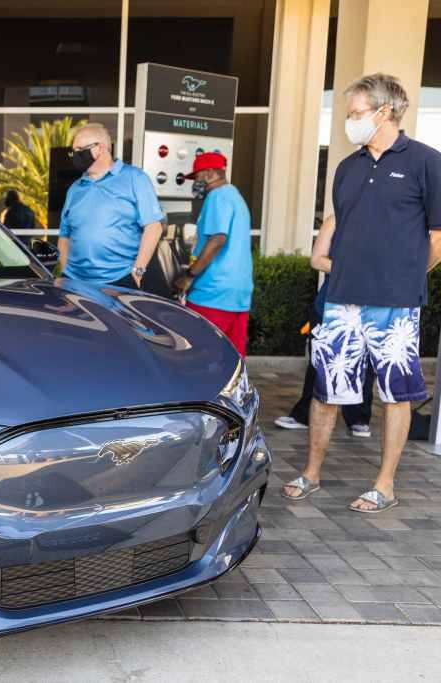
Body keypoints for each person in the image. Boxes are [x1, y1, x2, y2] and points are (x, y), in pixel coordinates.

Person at [282, 73, 441, 513]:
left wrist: (405, 279)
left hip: (395, 305)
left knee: (395, 395)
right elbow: (344, 229)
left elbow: (437, 237)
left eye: (355, 113)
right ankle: (311, 473)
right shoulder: (347, 168)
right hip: (342, 300)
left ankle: (385, 484)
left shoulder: (427, 162)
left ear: (384, 111)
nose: (349, 121)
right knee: (326, 391)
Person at [275, 218, 373, 438]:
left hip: (368, 307)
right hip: (330, 305)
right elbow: (317, 260)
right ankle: (304, 415)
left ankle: (358, 418)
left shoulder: (383, 220)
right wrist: (352, 269)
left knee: (364, 364)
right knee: (319, 363)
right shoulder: (335, 220)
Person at [58, 122, 164, 288]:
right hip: (75, 281)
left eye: (80, 150)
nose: (75, 155)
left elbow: (154, 227)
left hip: (119, 280)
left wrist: (138, 272)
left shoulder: (135, 178)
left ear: (100, 148)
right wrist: (65, 271)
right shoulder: (75, 188)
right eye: (74, 151)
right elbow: (64, 235)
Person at [173, 152, 253, 355]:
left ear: (209, 173)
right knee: (231, 358)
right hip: (237, 293)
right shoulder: (235, 196)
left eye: (197, 177)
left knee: (201, 355)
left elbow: (218, 239)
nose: (195, 183)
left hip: (212, 292)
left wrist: (189, 275)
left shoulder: (218, 196)